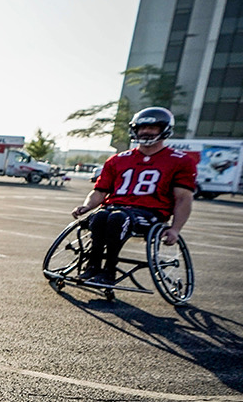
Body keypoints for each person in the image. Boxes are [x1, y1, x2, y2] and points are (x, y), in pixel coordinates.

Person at [71, 107, 196, 286]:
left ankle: (109, 271)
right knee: (99, 215)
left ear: (164, 129)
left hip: (150, 213)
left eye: (152, 128)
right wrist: (87, 206)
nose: (145, 131)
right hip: (115, 208)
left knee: (118, 219)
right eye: (141, 127)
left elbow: (184, 198)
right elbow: (100, 191)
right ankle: (93, 265)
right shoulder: (117, 160)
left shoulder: (180, 161)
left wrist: (175, 228)